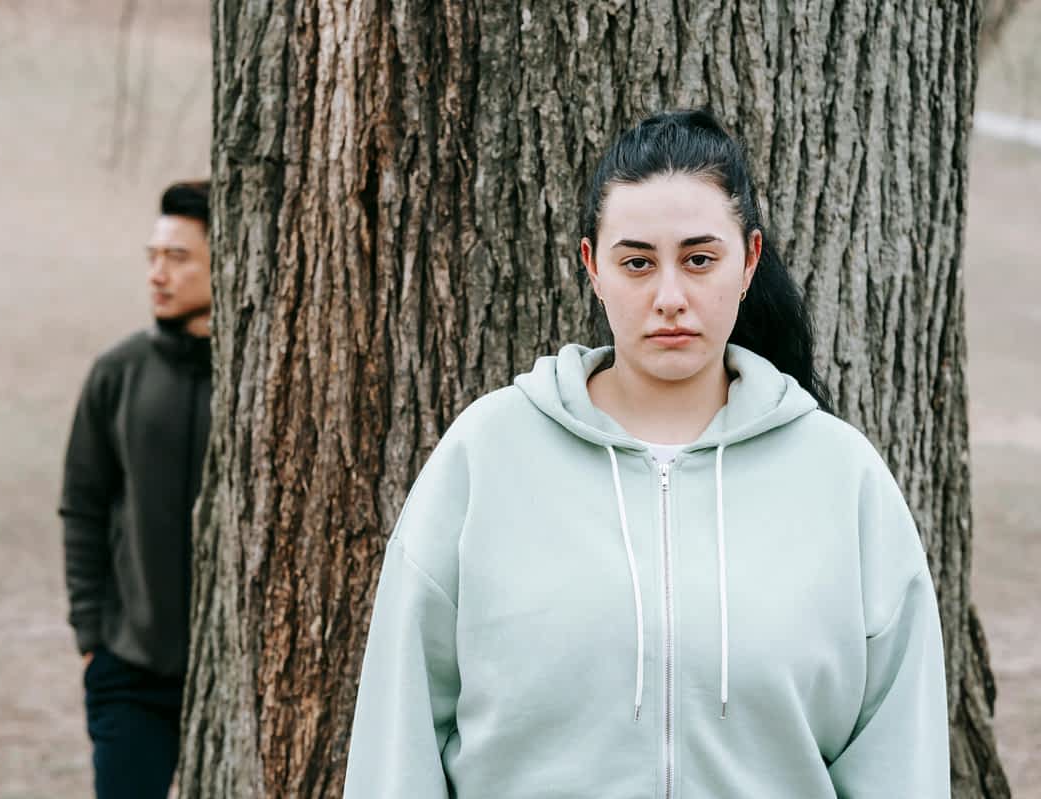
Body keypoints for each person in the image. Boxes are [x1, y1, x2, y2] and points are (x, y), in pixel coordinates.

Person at [343, 111, 949, 797]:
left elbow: (899, 753)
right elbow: (399, 736)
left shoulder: (842, 477)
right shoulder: (484, 457)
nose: (669, 297)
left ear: (747, 261)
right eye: (636, 262)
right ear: (591, 267)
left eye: (699, 259)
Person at [59, 180, 212, 799]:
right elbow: (83, 505)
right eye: (152, 257)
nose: (157, 274)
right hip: (131, 673)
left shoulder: (263, 377)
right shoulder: (117, 373)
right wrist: (92, 637)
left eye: (177, 258)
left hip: (235, 671)